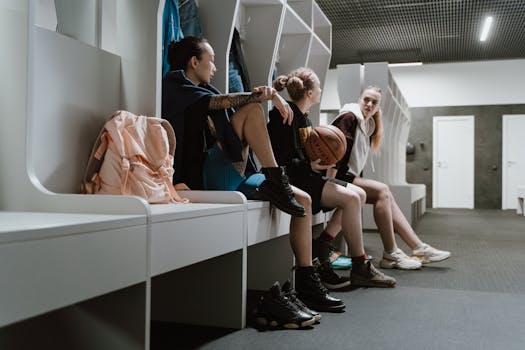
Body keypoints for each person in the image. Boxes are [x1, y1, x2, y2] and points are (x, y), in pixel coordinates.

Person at [162, 37, 343, 327]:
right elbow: (213, 103)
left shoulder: (202, 88)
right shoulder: (174, 86)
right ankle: (274, 177)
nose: (216, 66)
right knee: (253, 110)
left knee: (304, 201)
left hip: (229, 171)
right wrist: (266, 95)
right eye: (211, 59)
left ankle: (307, 279)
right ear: (193, 62)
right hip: (203, 177)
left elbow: (219, 113)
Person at [267, 67, 397, 293]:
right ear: (309, 93)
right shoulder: (284, 115)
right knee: (351, 199)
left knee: (360, 194)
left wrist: (314, 163)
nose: (320, 90)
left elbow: (303, 157)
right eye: (318, 87)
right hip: (294, 181)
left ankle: (327, 251)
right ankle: (360, 265)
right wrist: (310, 164)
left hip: (306, 177)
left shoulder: (304, 118)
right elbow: (282, 159)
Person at [323, 85, 451, 270]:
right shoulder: (349, 117)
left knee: (384, 193)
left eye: (374, 102)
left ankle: (414, 248)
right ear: (360, 99)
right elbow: (336, 153)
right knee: (382, 191)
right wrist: (331, 182)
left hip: (346, 177)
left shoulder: (366, 123)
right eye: (366, 99)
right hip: (336, 177)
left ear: (378, 107)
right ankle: (396, 252)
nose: (369, 104)